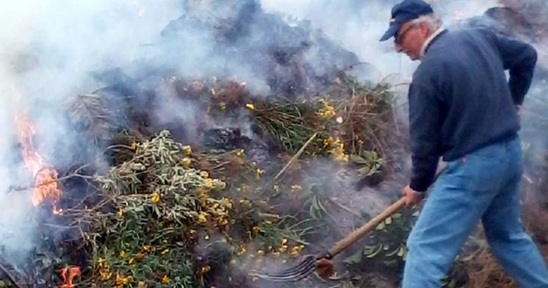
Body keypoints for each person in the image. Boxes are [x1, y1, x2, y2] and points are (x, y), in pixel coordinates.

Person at [378, 0, 548, 287]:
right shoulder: (477, 36)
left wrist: (417, 186)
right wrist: (514, 99)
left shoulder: (426, 75)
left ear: (421, 26)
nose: (397, 47)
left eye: (399, 36)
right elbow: (526, 56)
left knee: (424, 247)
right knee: (507, 236)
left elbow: (424, 144)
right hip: (509, 155)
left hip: (474, 168)